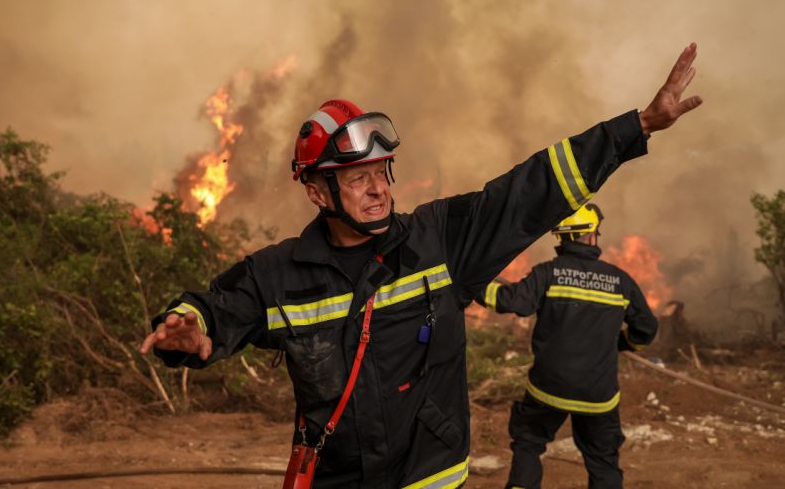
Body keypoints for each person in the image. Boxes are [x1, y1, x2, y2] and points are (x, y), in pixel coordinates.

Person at [140, 44, 702, 488]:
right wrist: (186, 332)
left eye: (383, 172)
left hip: (429, 478)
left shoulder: (441, 240)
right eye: (358, 178)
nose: (379, 189)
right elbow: (215, 309)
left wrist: (638, 127)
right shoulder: (279, 272)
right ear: (317, 192)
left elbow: (530, 191)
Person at [477, 203, 658, 489]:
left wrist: (471, 282)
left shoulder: (548, 273)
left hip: (548, 390)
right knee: (603, 461)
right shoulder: (620, 281)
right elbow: (647, 329)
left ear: (562, 237)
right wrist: (622, 344)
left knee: (528, 444)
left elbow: (508, 301)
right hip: (599, 396)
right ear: (591, 236)